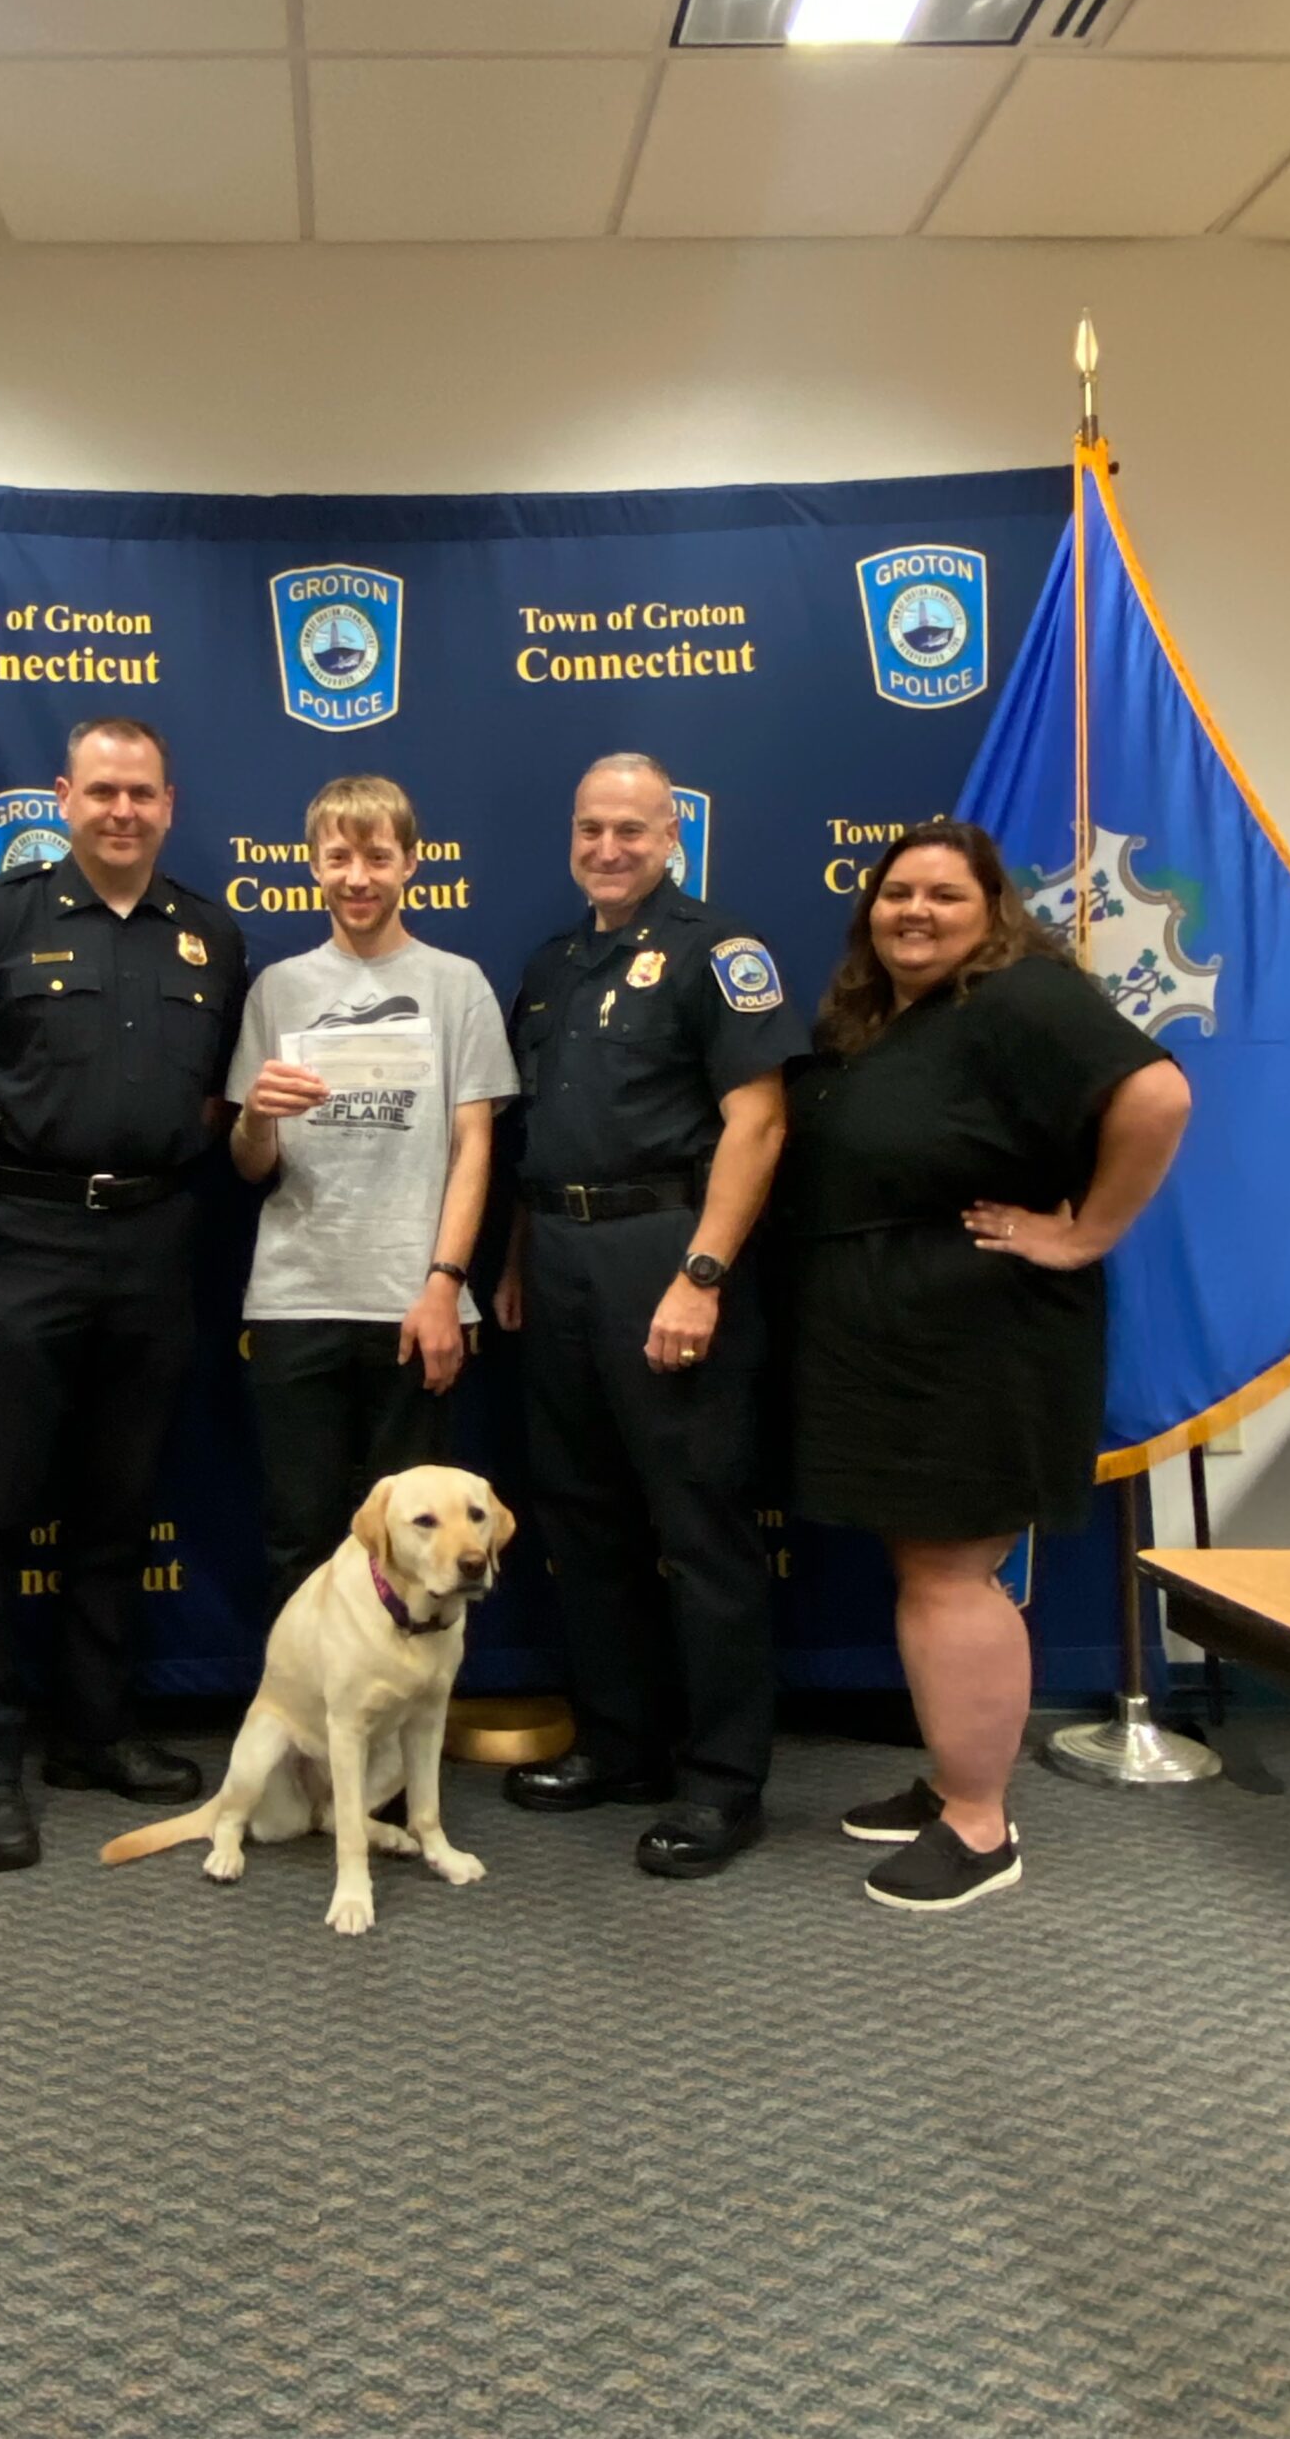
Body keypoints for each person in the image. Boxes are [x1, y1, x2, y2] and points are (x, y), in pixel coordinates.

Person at [778, 820, 1191, 1911]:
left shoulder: (1024, 997)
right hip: (901, 1339)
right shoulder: (902, 1019)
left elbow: (1158, 1097)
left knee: (954, 1574)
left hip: (983, 1339)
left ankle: (980, 1824)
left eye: (945, 896)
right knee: (930, 1568)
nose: (914, 911)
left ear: (993, 911)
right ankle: (959, 1774)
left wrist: (1083, 1231)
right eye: (897, 892)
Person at [0, 717, 246, 1872]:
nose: (121, 811)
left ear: (169, 802)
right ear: (62, 795)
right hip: (25, 1238)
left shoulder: (211, 933)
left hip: (156, 1240)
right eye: (101, 790)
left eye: (141, 793)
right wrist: (22, 1182)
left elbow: (214, 1102)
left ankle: (93, 1733)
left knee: (117, 1504)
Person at [496, 753, 807, 1877]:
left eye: (632, 828)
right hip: (564, 1253)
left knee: (700, 1528)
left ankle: (724, 1783)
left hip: (664, 1254)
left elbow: (758, 1122)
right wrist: (524, 1254)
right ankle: (620, 1744)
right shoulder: (553, 965)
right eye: (591, 828)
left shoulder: (720, 953)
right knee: (583, 1521)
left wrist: (704, 1272)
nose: (609, 847)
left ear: (673, 835)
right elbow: (546, 1129)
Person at [226, 774, 517, 1611]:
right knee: (302, 1536)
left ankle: (400, 1733)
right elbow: (251, 1164)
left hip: (414, 1304)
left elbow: (474, 1147)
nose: (358, 876)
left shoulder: (457, 984)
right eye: (339, 857)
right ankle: (309, 1732)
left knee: (420, 1559)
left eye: (377, 857)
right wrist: (255, 1116)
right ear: (313, 866)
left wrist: (443, 1285)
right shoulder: (278, 988)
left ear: (411, 865)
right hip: (295, 1299)